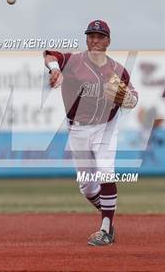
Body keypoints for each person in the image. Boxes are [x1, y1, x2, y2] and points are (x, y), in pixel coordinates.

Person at [43, 20, 138, 246]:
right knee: (87, 185)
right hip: (78, 128)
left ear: (108, 41)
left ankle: (106, 228)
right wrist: (55, 70)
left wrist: (129, 99)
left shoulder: (117, 70)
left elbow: (133, 96)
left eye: (100, 36)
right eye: (91, 36)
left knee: (105, 171)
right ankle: (108, 214)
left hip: (106, 126)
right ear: (86, 39)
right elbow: (49, 55)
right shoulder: (74, 62)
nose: (95, 40)